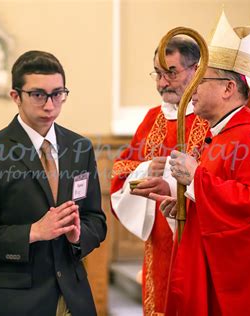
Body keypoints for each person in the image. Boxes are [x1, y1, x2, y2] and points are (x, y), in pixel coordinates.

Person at [153, 12, 250, 315]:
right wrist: (188, 204)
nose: (192, 88)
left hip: (235, 289)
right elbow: (225, 195)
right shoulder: (225, 134)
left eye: (201, 79)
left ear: (228, 88)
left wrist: (196, 179)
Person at [0, 50, 107, 316]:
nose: (50, 105)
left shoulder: (79, 148)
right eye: (38, 95)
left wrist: (79, 235)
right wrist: (32, 232)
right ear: (16, 96)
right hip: (13, 300)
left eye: (58, 94)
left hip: (72, 294)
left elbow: (96, 218)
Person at [109, 36, 209, 315]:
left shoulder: (212, 115)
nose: (162, 82)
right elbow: (120, 169)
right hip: (161, 242)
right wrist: (146, 169)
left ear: (196, 70)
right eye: (158, 72)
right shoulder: (153, 118)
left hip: (200, 237)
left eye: (171, 72)